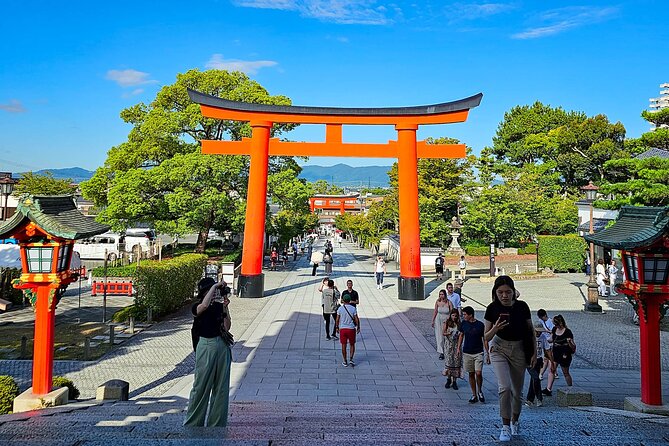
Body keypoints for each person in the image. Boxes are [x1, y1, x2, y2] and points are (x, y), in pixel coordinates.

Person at [484, 275, 535, 442]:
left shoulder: (522, 307)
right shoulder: (492, 308)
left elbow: (530, 330)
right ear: (495, 293)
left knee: (517, 392)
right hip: (499, 348)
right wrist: (496, 328)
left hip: (519, 349)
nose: (504, 296)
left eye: (507, 292)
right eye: (500, 292)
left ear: (514, 292)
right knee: (504, 387)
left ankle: (515, 420)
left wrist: (534, 352)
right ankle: (505, 426)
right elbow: (486, 336)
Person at [184, 278, 232, 427]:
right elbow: (203, 306)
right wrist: (215, 286)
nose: (215, 292)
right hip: (206, 345)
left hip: (222, 345)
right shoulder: (197, 306)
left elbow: (227, 326)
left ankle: (217, 424)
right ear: (206, 292)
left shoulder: (218, 306)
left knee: (221, 387)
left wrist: (225, 307)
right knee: (201, 386)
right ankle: (193, 422)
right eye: (212, 290)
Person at [458, 306, 489, 403]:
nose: (464, 316)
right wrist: (458, 348)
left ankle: (480, 391)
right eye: (463, 314)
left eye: (465, 314)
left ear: (471, 315)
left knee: (478, 373)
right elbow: (461, 335)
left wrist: (487, 352)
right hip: (467, 351)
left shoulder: (480, 325)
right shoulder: (464, 324)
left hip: (478, 352)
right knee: (471, 373)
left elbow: (485, 339)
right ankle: (474, 394)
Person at [542, 314, 575, 396]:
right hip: (555, 352)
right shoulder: (554, 329)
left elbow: (573, 346)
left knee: (565, 372)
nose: (556, 325)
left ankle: (571, 388)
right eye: (555, 324)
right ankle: (548, 389)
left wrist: (570, 342)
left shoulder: (567, 332)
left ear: (561, 323)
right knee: (551, 369)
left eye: (557, 324)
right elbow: (551, 339)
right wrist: (543, 340)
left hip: (564, 353)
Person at [526, 321, 549, 407]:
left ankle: (529, 399)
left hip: (539, 360)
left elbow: (547, 349)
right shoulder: (528, 336)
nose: (539, 333)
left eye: (540, 331)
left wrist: (551, 360)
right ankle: (539, 398)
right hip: (529, 361)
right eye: (537, 331)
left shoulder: (542, 337)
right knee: (536, 378)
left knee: (533, 379)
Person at [335, 293, 360, 367]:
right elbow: (356, 319)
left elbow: (337, 319)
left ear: (343, 301)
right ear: (349, 300)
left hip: (343, 329)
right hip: (351, 329)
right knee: (352, 344)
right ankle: (351, 359)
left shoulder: (340, 309)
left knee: (343, 345)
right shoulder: (353, 308)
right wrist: (358, 327)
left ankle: (345, 361)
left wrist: (337, 327)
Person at [443, 308, 462, 390]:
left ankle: (454, 381)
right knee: (449, 362)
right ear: (450, 315)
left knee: (456, 362)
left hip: (456, 345)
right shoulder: (447, 322)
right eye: (453, 315)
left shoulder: (459, 324)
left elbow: (461, 335)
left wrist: (458, 347)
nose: (454, 317)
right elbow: (443, 332)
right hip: (448, 345)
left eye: (455, 315)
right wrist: (448, 333)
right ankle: (448, 379)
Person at [431, 289, 453, 360]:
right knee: (439, 336)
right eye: (440, 294)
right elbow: (435, 311)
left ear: (445, 295)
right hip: (439, 319)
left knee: (447, 336)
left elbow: (452, 312)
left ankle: (448, 350)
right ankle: (441, 352)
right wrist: (433, 320)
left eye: (442, 294)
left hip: (446, 319)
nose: (441, 296)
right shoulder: (437, 302)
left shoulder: (449, 302)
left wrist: (450, 321)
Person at [536, 309, 557, 382]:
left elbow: (553, 332)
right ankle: (553, 372)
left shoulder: (551, 321)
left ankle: (542, 373)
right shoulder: (540, 321)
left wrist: (547, 331)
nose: (541, 319)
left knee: (546, 359)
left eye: (542, 317)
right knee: (546, 359)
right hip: (543, 340)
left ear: (545, 315)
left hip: (549, 342)